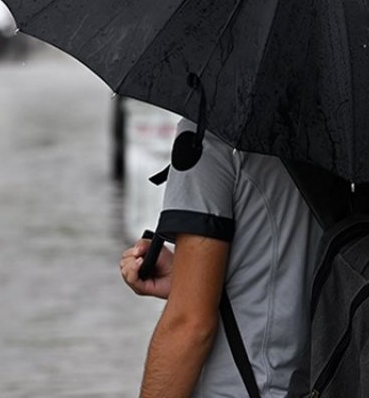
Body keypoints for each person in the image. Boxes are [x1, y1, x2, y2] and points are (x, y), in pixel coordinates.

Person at [119, 119, 320, 397]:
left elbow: (190, 325)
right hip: (323, 383)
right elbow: (296, 265)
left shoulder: (208, 135)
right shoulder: (342, 136)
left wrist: (187, 296)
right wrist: (188, 277)